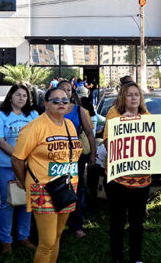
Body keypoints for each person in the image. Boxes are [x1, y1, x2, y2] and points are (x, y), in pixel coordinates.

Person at [11, 87, 83, 263]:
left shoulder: (70, 125)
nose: (61, 104)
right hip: (42, 189)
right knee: (47, 242)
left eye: (65, 100)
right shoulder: (34, 127)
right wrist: (24, 183)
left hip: (66, 186)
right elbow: (17, 159)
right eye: (55, 101)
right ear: (46, 104)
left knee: (57, 236)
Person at [103, 82, 151, 263]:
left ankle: (136, 257)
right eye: (130, 95)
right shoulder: (114, 114)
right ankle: (117, 257)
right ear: (123, 97)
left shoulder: (147, 116)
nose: (133, 98)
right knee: (117, 220)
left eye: (136, 95)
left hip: (142, 181)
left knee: (137, 221)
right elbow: (108, 143)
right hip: (118, 180)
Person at [0, 84, 38, 254]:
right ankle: (6, 241)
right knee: (8, 203)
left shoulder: (33, 115)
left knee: (27, 202)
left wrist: (26, 160)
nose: (21, 98)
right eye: (18, 95)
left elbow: (38, 138)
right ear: (10, 96)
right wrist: (20, 157)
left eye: (24, 96)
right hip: (6, 165)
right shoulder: (0, 115)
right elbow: (0, 140)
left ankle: (23, 236)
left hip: (29, 165)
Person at [57, 80, 97, 238]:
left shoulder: (79, 110)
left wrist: (93, 154)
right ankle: (57, 224)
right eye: (62, 90)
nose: (66, 93)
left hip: (77, 157)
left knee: (78, 189)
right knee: (58, 188)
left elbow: (89, 133)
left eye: (68, 90)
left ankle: (77, 225)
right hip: (56, 157)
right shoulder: (50, 110)